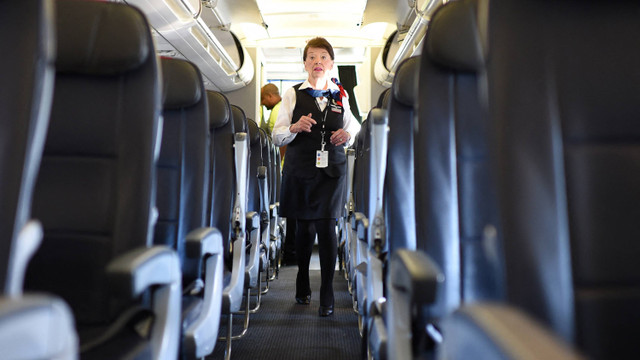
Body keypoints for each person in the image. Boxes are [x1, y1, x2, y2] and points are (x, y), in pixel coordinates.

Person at [272, 37, 360, 317]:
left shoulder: (340, 95)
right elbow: (276, 135)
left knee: (326, 225)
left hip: (331, 170)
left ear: (331, 64)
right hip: (300, 167)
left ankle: (327, 291)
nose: (317, 62)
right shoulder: (293, 94)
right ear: (305, 64)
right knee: (305, 227)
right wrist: (295, 127)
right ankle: (301, 278)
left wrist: (347, 134)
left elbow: (355, 129)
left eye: (323, 57)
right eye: (311, 57)